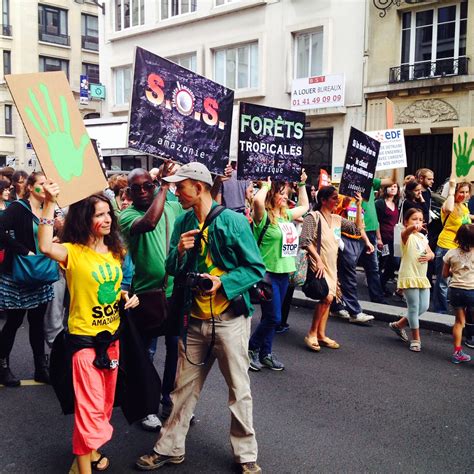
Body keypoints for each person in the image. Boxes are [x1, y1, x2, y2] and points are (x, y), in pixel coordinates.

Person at [135, 162, 265, 473]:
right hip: (194, 321)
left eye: (181, 186)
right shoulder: (182, 222)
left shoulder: (233, 221)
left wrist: (224, 282)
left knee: (239, 390)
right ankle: (170, 448)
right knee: (182, 390)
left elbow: (255, 268)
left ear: (199, 186)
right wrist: (179, 252)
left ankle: (246, 455)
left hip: (230, 320)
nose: (176, 192)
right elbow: (170, 269)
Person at [38, 181, 139, 474]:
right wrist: (48, 202)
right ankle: (83, 467)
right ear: (85, 219)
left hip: (112, 340)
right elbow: (45, 245)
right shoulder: (73, 252)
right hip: (84, 344)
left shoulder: (116, 251)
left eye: (108, 213)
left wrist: (124, 296)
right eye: (99, 214)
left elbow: (110, 286)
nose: (106, 219)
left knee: (105, 407)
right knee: (88, 411)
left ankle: (89, 453)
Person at [120, 166, 183, 431]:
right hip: (145, 295)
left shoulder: (173, 206)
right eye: (138, 188)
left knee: (175, 351)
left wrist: (216, 183)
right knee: (144, 353)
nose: (144, 192)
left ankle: (169, 399)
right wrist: (164, 187)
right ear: (129, 192)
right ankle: (145, 406)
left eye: (148, 186)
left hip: (174, 293)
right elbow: (149, 222)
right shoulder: (126, 215)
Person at [248, 172, 309, 370]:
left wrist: (301, 184)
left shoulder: (285, 215)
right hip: (267, 275)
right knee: (273, 317)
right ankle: (251, 348)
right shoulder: (262, 215)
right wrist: (265, 185)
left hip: (284, 274)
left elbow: (305, 206)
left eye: (286, 193)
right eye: (280, 193)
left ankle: (266, 353)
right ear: (271, 194)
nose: (284, 196)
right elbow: (257, 200)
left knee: (273, 319)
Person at [0, 172, 54, 387]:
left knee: (37, 322)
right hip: (18, 275)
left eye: (48, 183)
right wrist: (24, 251)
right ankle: (3, 367)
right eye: (42, 184)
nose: (46, 187)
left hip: (39, 273)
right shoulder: (17, 208)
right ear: (30, 187)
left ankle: (41, 368)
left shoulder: (48, 208)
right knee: (13, 322)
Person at [300, 186, 344, 351]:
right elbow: (304, 240)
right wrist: (317, 259)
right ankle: (312, 333)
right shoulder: (313, 216)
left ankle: (321, 334)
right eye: (334, 198)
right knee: (327, 298)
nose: (337, 201)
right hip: (318, 265)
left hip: (332, 266)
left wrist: (359, 206)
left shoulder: (337, 219)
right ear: (323, 200)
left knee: (329, 299)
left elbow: (356, 229)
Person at [388, 209, 434, 352]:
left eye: (420, 220)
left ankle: (398, 325)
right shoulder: (405, 235)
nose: (418, 222)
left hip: (421, 276)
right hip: (409, 275)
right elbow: (406, 233)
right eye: (414, 219)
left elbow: (431, 252)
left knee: (424, 306)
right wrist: (412, 228)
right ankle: (416, 339)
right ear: (406, 221)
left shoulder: (422, 237)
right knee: (413, 308)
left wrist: (429, 256)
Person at [433, 180, 472, 313]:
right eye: (461, 192)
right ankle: (440, 310)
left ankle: (449, 305)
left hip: (459, 247)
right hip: (446, 246)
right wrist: (451, 188)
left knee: (455, 278)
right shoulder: (449, 203)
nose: (464, 195)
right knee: (443, 280)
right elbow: (448, 209)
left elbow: (466, 221)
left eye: (467, 192)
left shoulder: (464, 207)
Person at [358, 173, 395, 303]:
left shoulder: (369, 180)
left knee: (373, 267)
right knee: (349, 267)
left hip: (371, 231)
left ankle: (377, 297)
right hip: (356, 230)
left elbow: (392, 180)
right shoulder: (349, 183)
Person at [442, 224, 474, 363]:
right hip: (472, 291)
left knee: (459, 322)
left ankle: (457, 353)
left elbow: (444, 274)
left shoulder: (451, 253)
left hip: (455, 291)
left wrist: (454, 272)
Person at [375, 183, 400, 295]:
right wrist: (379, 238)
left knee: (394, 262)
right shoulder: (380, 203)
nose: (393, 188)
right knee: (382, 261)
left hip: (393, 238)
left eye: (395, 187)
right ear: (385, 189)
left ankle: (381, 284)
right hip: (384, 239)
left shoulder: (396, 203)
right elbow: (377, 222)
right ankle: (378, 287)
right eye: (391, 186)